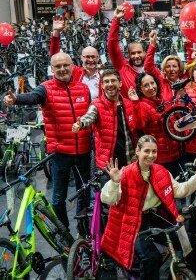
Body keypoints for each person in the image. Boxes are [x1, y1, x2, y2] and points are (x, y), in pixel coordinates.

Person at [2, 52, 91, 230]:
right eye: (58, 66)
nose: (62, 69)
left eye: (65, 65)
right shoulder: (45, 89)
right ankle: (64, 231)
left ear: (73, 66)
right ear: (52, 69)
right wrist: (16, 99)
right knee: (58, 198)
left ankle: (84, 234)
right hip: (59, 153)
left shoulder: (83, 88)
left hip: (83, 150)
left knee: (84, 193)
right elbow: (33, 97)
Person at [100, 135, 196, 280]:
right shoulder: (126, 173)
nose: (151, 155)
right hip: (133, 222)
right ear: (137, 151)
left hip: (155, 216)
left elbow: (179, 190)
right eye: (146, 151)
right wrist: (115, 182)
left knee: (190, 241)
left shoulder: (161, 171)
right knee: (151, 258)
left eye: (154, 151)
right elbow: (107, 199)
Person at [72, 69, 141, 169]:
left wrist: (136, 102)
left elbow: (137, 126)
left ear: (120, 83)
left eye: (113, 80)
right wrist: (81, 124)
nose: (110, 84)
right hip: (108, 164)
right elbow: (89, 116)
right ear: (102, 86)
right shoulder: (97, 105)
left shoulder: (128, 104)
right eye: (106, 81)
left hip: (130, 159)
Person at [134, 72, 181, 176]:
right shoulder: (142, 106)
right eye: (146, 85)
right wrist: (135, 103)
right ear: (140, 89)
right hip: (160, 158)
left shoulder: (163, 100)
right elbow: (139, 125)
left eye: (152, 83)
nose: (151, 87)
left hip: (176, 154)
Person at [50, 15, 101, 100]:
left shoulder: (103, 77)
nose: (91, 60)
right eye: (87, 57)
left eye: (93, 57)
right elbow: (56, 58)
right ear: (81, 58)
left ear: (98, 58)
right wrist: (56, 34)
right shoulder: (75, 72)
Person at [108, 5, 146, 97]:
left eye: (139, 52)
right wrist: (116, 20)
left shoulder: (151, 69)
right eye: (133, 53)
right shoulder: (123, 67)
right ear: (128, 55)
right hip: (129, 110)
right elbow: (112, 44)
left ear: (145, 52)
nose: (136, 56)